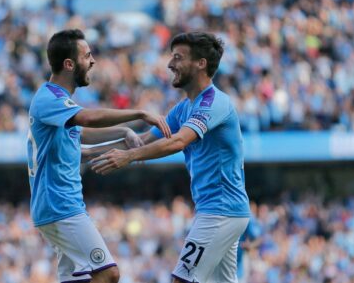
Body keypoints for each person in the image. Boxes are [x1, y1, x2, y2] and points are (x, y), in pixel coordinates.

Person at [90, 32, 250, 283]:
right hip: (222, 211)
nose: (170, 64)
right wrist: (86, 153)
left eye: (178, 57)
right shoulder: (184, 107)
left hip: (220, 211)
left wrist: (130, 157)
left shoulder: (214, 102)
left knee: (181, 280)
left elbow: (178, 141)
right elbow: (140, 139)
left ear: (201, 63)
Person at [27, 29, 170, 283]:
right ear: (69, 64)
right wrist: (138, 114)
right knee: (108, 273)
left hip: (57, 207)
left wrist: (126, 136)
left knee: (78, 280)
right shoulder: (50, 98)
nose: (92, 61)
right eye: (87, 55)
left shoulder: (60, 107)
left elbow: (84, 141)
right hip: (60, 207)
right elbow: (90, 118)